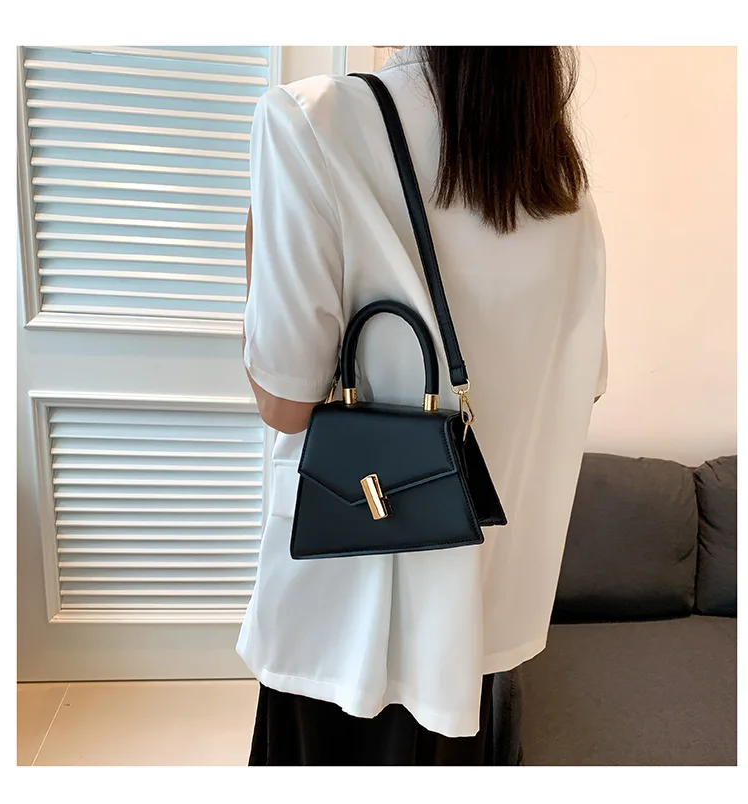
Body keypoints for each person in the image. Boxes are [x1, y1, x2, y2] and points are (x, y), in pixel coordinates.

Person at [237, 46, 607, 765]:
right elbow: (580, 383)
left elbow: (283, 402)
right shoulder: (562, 181)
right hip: (489, 630)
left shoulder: (311, 120)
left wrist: (252, 250)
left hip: (347, 626)